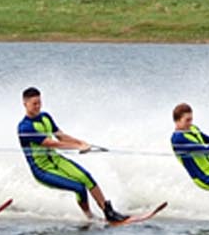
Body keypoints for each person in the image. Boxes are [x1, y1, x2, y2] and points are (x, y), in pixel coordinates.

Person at [17, 87, 128, 223]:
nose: (38, 106)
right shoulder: (24, 127)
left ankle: (108, 212)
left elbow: (61, 137)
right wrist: (78, 146)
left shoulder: (45, 117)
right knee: (79, 187)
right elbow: (50, 143)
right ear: (25, 103)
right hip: (42, 169)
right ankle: (90, 217)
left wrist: (81, 142)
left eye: (39, 102)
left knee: (86, 177)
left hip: (57, 160)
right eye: (34, 103)